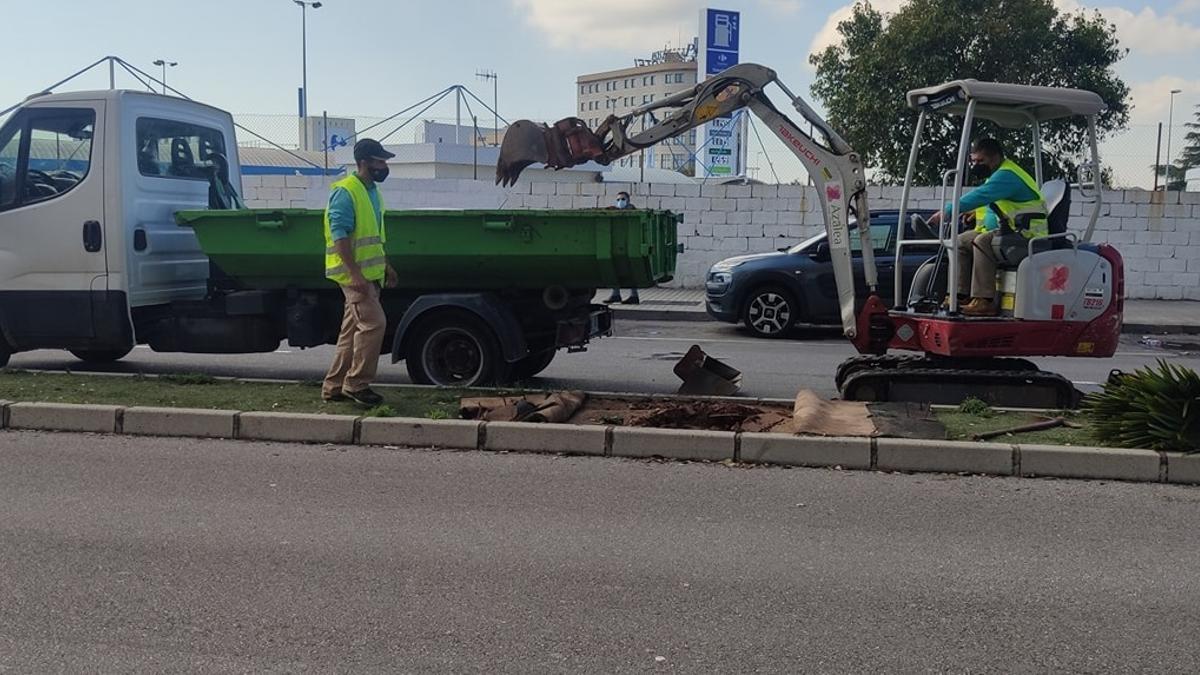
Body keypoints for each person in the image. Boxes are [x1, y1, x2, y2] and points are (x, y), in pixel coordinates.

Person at [925, 138, 1046, 317]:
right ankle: (958, 295)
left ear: (995, 157)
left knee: (981, 241)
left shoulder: (1007, 175)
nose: (976, 165)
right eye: (973, 161)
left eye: (981, 161)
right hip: (1011, 230)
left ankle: (984, 300)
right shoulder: (997, 174)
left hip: (1028, 234)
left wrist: (949, 211)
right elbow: (994, 202)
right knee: (960, 241)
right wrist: (974, 213)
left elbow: (982, 195)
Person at [321, 138, 400, 406]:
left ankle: (333, 386)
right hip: (355, 277)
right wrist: (354, 275)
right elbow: (339, 235)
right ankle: (356, 384)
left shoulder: (373, 193)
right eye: (380, 161)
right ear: (363, 162)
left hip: (370, 274)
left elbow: (374, 236)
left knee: (350, 332)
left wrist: (386, 265)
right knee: (374, 324)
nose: (384, 166)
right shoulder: (346, 191)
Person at [603, 191, 641, 305]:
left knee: (630, 271)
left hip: (629, 245)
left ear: (628, 201)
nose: (620, 202)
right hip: (618, 245)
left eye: (623, 199)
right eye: (618, 199)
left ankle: (634, 296)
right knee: (614, 269)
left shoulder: (632, 212)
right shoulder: (616, 211)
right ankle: (616, 294)